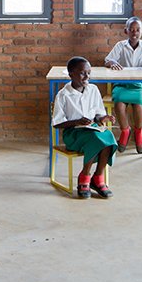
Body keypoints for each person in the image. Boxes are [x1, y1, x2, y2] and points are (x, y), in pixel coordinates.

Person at [52, 57, 118, 198]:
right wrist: (77, 122)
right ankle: (85, 176)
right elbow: (57, 123)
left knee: (109, 137)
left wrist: (103, 118)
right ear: (71, 74)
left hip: (92, 129)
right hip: (73, 133)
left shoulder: (93, 90)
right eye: (82, 73)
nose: (87, 76)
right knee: (95, 139)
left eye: (89, 73)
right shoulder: (64, 95)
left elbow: (98, 115)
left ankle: (98, 177)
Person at [104, 17, 142, 154]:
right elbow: (107, 60)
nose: (134, 33)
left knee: (138, 103)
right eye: (131, 30)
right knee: (119, 103)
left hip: (141, 85)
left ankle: (138, 132)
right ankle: (125, 131)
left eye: (137, 30)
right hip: (123, 84)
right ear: (126, 31)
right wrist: (112, 63)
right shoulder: (120, 46)